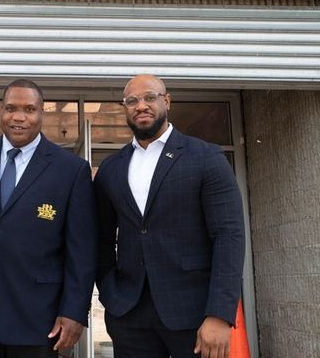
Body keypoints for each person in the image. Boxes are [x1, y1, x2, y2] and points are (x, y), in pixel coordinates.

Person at [0, 79, 96, 358]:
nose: (19, 117)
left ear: (41, 113)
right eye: (11, 108)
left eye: (29, 109)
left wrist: (74, 311)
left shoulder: (71, 170)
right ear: (1, 110)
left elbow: (80, 251)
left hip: (38, 316)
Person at [94, 74, 245, 358]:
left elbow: (228, 236)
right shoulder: (111, 168)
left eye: (149, 97)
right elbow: (101, 239)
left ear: (167, 101)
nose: (141, 106)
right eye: (132, 100)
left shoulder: (205, 157)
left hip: (196, 314)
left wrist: (219, 313)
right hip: (129, 314)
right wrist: (110, 293)